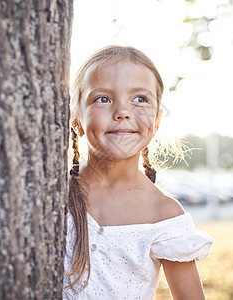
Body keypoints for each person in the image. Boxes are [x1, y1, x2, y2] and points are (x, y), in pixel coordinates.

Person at [64, 45, 213, 299]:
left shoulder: (164, 214)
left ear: (156, 121)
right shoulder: (53, 195)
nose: (122, 112)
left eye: (140, 99)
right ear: (76, 119)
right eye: (103, 98)